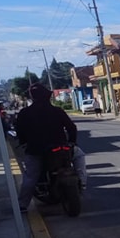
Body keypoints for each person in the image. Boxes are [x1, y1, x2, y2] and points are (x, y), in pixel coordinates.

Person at [15, 84, 87, 212]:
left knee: (31, 177)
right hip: (60, 149)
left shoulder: (24, 113)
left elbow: (20, 132)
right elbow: (71, 128)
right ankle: (82, 181)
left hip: (36, 151)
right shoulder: (57, 111)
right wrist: (71, 143)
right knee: (79, 155)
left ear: (32, 97)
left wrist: (24, 142)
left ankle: (22, 205)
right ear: (47, 97)